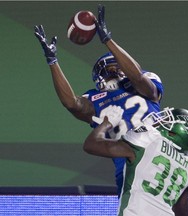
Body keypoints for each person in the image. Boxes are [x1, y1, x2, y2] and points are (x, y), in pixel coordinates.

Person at [34, 4, 163, 196]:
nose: (116, 70)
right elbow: (72, 103)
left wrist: (107, 40)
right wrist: (53, 61)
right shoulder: (96, 98)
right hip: (129, 166)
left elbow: (137, 77)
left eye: (118, 65)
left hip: (161, 156)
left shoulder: (142, 81)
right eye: (110, 68)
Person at [83, 105, 188, 216]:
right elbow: (185, 213)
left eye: (166, 121)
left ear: (175, 132)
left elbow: (92, 145)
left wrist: (107, 123)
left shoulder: (149, 139)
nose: (159, 122)